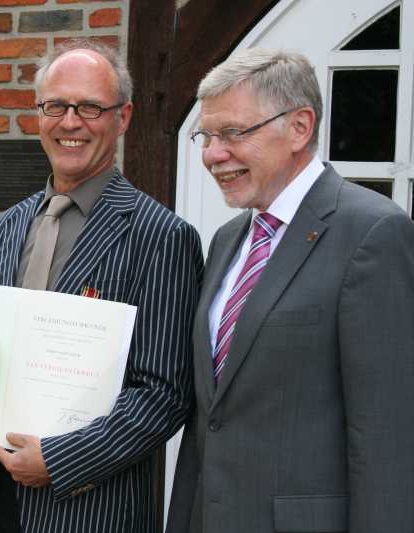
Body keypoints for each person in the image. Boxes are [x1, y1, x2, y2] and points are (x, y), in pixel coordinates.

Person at [0, 39, 203, 533]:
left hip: (89, 507)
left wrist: (61, 460)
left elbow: (164, 393)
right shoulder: (3, 230)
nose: (70, 122)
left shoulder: (161, 236)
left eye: (90, 107)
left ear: (123, 117)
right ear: (38, 114)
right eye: (56, 106)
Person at [166, 48, 414, 533]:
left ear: (300, 127)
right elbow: (211, 419)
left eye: (234, 133)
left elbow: (387, 436)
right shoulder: (228, 240)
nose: (213, 154)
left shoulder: (373, 232)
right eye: (207, 136)